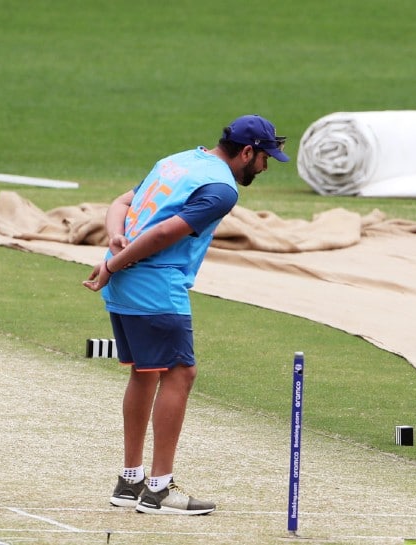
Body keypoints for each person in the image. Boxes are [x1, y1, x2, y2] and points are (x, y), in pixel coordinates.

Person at [82, 114, 288, 515]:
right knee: (181, 372)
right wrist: (111, 266)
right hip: (153, 284)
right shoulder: (221, 190)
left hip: (126, 281)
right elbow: (161, 236)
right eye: (265, 159)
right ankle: (159, 490)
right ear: (247, 152)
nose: (265, 167)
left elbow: (121, 204)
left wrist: (113, 246)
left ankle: (130, 481)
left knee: (144, 372)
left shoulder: (178, 161)